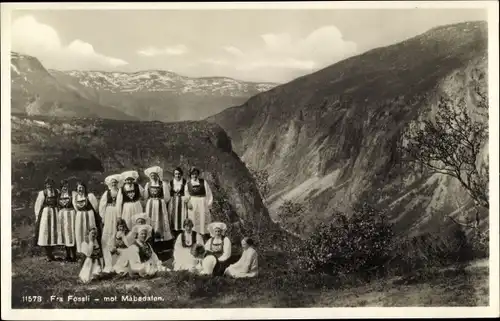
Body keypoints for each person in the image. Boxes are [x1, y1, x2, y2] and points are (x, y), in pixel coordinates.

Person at [144, 166, 173, 250]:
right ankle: (150, 242)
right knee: (151, 221)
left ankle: (161, 244)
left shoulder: (163, 184)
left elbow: (167, 197)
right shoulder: (148, 184)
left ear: (158, 175)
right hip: (151, 204)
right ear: (150, 176)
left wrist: (160, 202)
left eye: (155, 175)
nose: (153, 176)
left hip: (160, 204)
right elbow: (146, 196)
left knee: (160, 223)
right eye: (152, 175)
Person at [34, 177, 59, 261]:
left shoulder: (57, 192)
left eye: (51, 184)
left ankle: (51, 253)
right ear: (45, 185)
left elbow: (59, 202)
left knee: (53, 233)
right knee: (45, 232)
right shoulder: (42, 193)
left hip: (55, 214)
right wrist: (37, 216)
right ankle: (48, 254)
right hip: (46, 214)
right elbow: (38, 205)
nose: (49, 186)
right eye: (48, 184)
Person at [184, 167, 213, 240]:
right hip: (193, 204)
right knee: (194, 220)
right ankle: (194, 238)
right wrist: (188, 202)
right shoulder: (188, 184)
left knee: (203, 220)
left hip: (202, 203)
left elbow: (209, 193)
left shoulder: (203, 182)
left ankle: (204, 238)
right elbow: (186, 195)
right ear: (190, 175)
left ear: (198, 174)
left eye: (196, 174)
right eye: (193, 174)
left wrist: (209, 205)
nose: (194, 175)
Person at [73, 181, 101, 254]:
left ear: (85, 188)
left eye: (82, 187)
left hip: (89, 215)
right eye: (79, 188)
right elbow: (76, 208)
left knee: (90, 231)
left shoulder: (89, 196)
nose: (81, 189)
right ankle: (82, 250)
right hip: (79, 216)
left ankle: (92, 249)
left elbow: (96, 207)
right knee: (80, 232)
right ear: (76, 189)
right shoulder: (75, 197)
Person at [99, 174, 122, 251]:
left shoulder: (120, 192)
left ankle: (115, 245)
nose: (114, 184)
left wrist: (120, 214)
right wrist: (103, 215)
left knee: (116, 227)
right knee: (108, 227)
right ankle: (106, 246)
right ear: (110, 184)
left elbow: (120, 203)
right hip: (108, 211)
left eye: (115, 182)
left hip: (117, 211)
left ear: (117, 183)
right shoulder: (107, 192)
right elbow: (102, 204)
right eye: (112, 182)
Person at [57, 179, 77, 262]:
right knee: (64, 234)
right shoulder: (59, 195)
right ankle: (67, 255)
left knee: (71, 234)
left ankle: (74, 255)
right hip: (62, 215)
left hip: (70, 214)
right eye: (63, 186)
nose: (64, 188)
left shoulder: (73, 194)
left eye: (66, 186)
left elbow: (76, 205)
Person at [168, 167, 188, 236]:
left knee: (182, 216)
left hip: (182, 202)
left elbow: (187, 193)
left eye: (179, 174)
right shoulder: (171, 182)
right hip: (173, 201)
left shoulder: (185, 182)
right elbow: (168, 193)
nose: (177, 175)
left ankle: (182, 234)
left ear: (181, 174)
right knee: (173, 217)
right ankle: (174, 235)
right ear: (174, 174)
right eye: (176, 174)